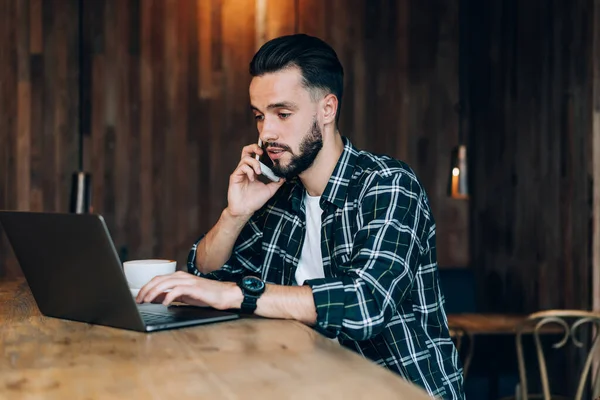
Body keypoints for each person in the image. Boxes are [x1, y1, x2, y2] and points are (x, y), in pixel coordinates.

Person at [136, 33, 465, 399]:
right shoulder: (279, 195)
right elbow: (207, 274)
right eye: (260, 117)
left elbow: (366, 304)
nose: (266, 133)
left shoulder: (388, 185)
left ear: (327, 109)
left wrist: (235, 295)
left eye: (283, 114)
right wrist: (235, 213)